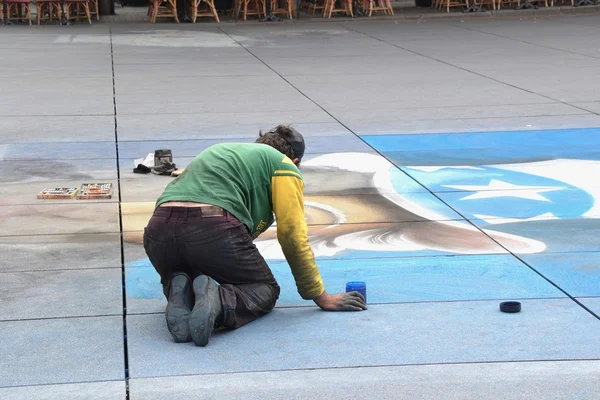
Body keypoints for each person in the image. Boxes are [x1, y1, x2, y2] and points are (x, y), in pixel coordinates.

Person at [143, 125, 367, 346]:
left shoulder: (223, 152)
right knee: (263, 289)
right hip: (210, 225)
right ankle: (219, 302)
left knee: (193, 272)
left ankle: (178, 286)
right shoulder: (283, 164)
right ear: (295, 161)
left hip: (158, 229)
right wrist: (320, 295)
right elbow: (292, 233)